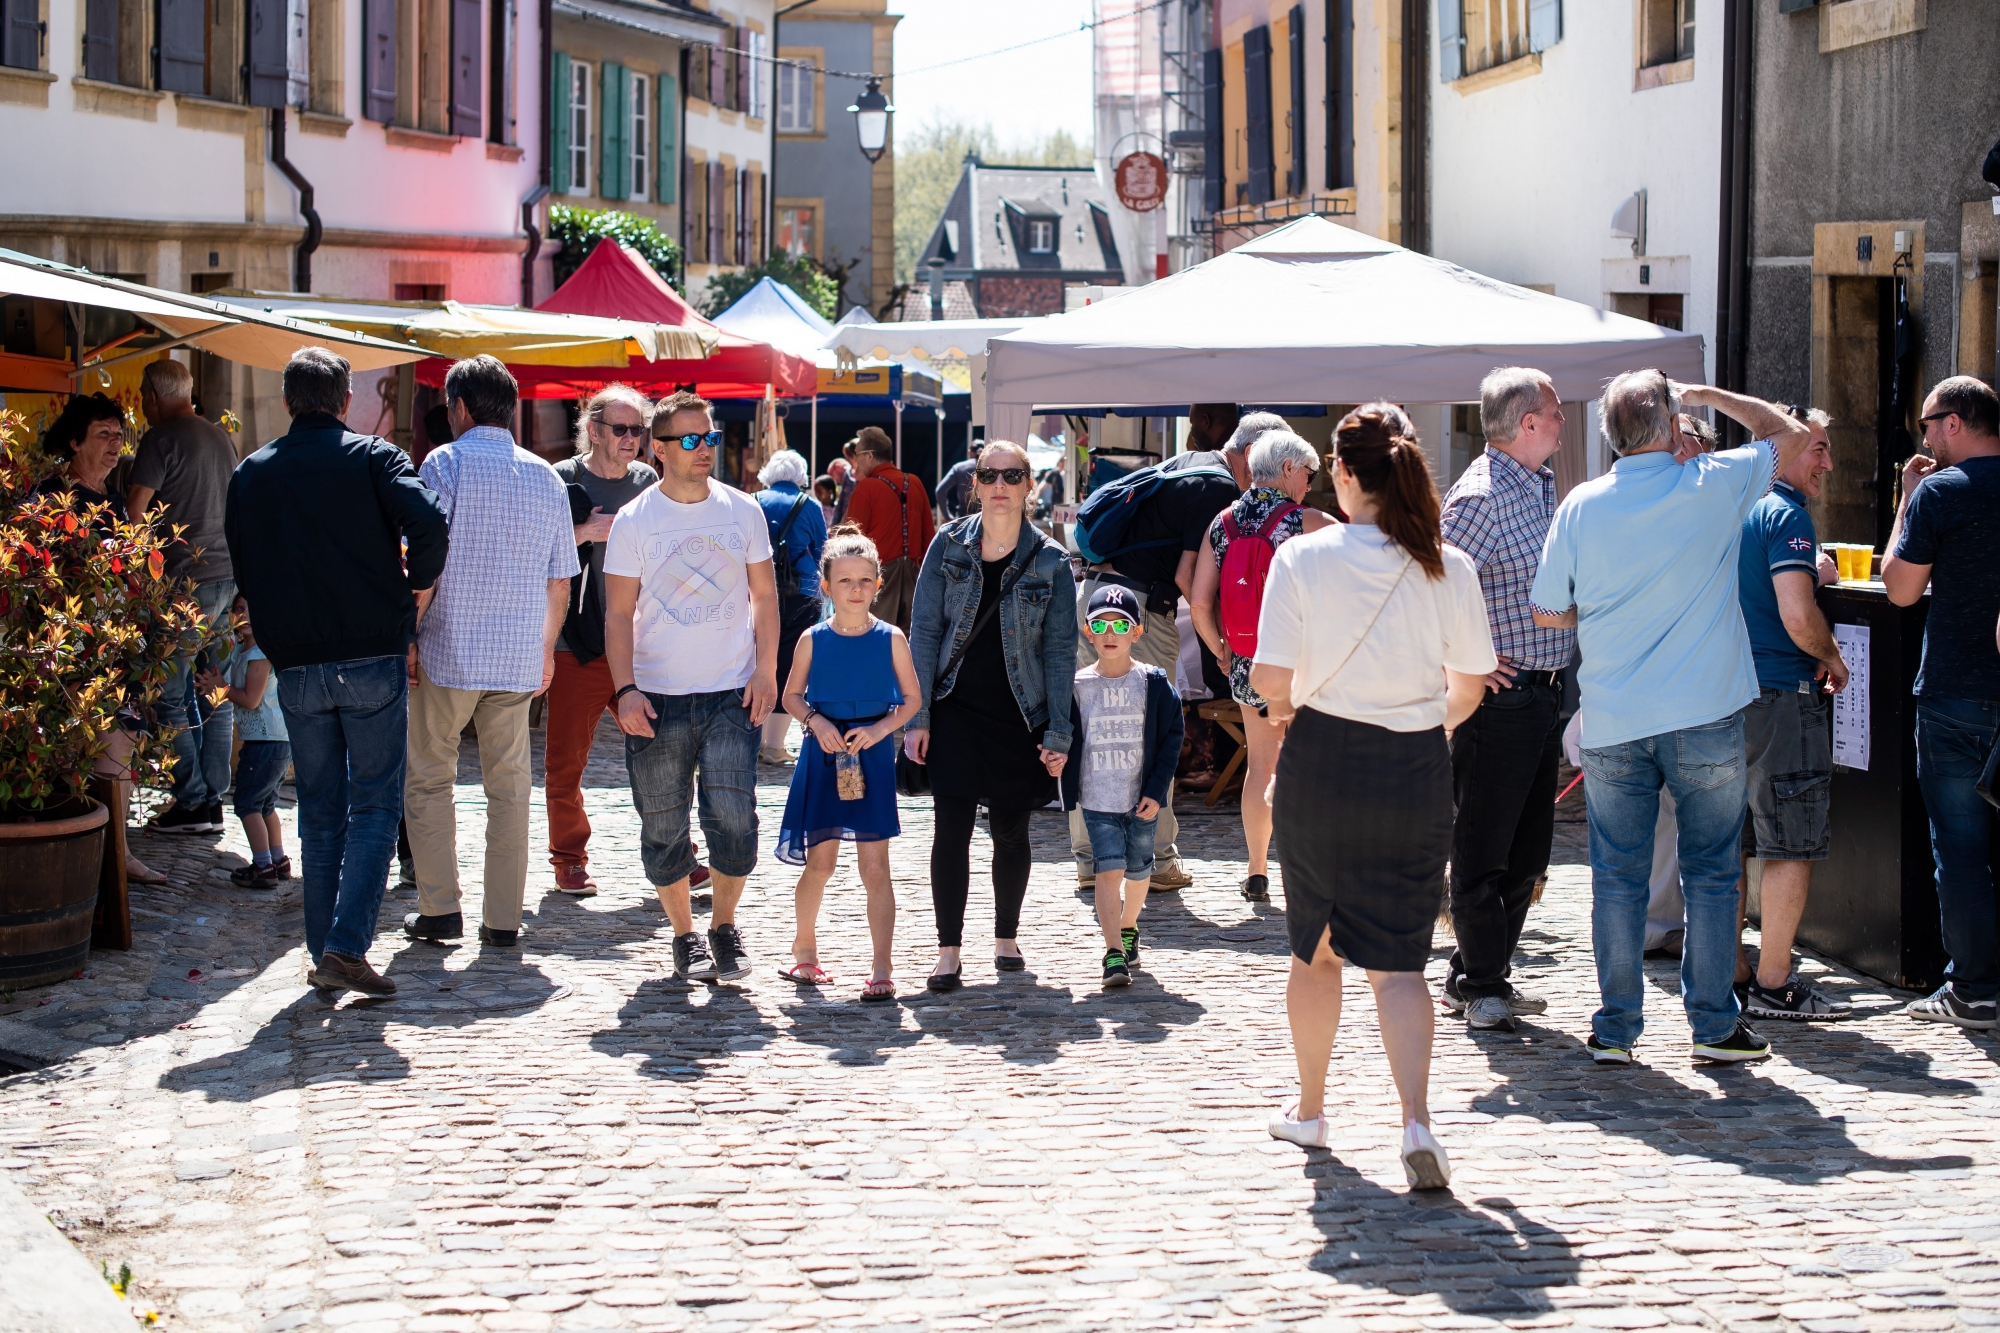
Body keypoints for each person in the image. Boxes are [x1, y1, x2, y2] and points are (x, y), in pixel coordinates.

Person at [1530, 372, 1815, 1065]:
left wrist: (1594, 611)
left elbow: (1545, 608)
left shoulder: (1581, 504)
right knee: (1712, 872)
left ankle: (1617, 1024)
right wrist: (1712, 397)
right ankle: (1713, 1024)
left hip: (1616, 714)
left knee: (1617, 874)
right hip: (1704, 711)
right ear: (1668, 426)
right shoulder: (1712, 481)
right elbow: (1794, 435)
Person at [1251, 404, 1495, 1191]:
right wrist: (1424, 722)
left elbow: (1270, 682)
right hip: (1416, 765)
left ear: (1349, 474)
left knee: (1315, 950)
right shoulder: (1448, 566)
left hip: (1322, 760)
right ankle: (1417, 1118)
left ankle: (1313, 1106)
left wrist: (1290, 710)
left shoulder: (1303, 557)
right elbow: (1469, 686)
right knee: (1400, 963)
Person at [225, 347, 450, 999]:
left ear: (291, 401)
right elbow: (430, 521)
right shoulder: (373, 458)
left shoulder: (252, 472)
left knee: (320, 811)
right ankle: (345, 947)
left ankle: (325, 948)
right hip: (369, 650)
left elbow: (244, 562)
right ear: (346, 399)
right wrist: (415, 585)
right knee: (375, 800)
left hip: (297, 660)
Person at [402, 356, 578, 950]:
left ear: (460, 407)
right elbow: (561, 581)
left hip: (450, 649)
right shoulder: (546, 477)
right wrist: (546, 652)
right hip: (516, 656)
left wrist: (410, 629)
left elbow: (423, 561)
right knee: (509, 789)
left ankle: (439, 911)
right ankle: (502, 920)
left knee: (429, 779)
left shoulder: (444, 464)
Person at [605, 391, 780, 982]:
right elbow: (618, 615)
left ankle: (724, 926)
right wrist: (624, 689)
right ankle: (685, 936)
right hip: (655, 699)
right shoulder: (635, 521)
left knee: (734, 819)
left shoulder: (742, 511)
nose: (705, 448)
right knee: (663, 824)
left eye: (708, 436)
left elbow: (765, 598)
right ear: (659, 450)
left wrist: (765, 669)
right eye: (689, 440)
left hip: (731, 691)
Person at [906, 440, 1077, 991]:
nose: (1000, 485)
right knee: (949, 828)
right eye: (990, 475)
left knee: (1010, 827)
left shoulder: (1050, 561)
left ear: (1030, 486)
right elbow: (925, 633)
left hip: (1017, 712)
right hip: (954, 706)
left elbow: (1059, 651)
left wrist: (1058, 729)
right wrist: (918, 715)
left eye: (1013, 475)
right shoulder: (946, 546)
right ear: (974, 484)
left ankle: (1006, 936)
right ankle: (948, 950)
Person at [1435, 367, 1574, 1033]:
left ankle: (1473, 972)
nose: (1562, 420)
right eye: (1553, 411)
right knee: (1485, 848)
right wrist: (1471, 661)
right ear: (1525, 423)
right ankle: (1484, 981)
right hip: (1501, 702)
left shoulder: (1539, 484)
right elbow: (1430, 585)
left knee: (1529, 855)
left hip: (1545, 695)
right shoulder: (1481, 497)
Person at [1069, 420, 1242, 892]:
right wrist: (1219, 646)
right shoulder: (1220, 485)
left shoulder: (1187, 464)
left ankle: (1090, 860)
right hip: (1138, 607)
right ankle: (1157, 860)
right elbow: (1191, 580)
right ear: (1250, 454)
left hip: (1096, 595)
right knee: (1154, 730)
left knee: (1095, 727)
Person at [1882, 375, 2000, 1030]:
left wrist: (1908, 501)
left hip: (1956, 691)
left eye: (1927, 422)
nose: (1923, 436)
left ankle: (1976, 989)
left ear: (1955, 422)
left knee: (1960, 847)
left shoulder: (1942, 493)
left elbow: (1899, 590)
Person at [1733, 406, 1851, 1020]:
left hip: (1727, 697)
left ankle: (1734, 974)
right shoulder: (1788, 517)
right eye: (1818, 449)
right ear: (1783, 449)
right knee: (1790, 844)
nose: (1828, 463)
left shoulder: (1732, 507)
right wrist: (1832, 658)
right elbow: (1798, 615)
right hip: (1782, 695)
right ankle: (1774, 983)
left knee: (1730, 845)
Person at [775, 531, 923, 1001]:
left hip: (873, 758)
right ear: (826, 586)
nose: (855, 589)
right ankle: (805, 948)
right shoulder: (811, 639)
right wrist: (816, 722)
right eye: (845, 581)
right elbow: (791, 697)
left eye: (864, 580)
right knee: (820, 863)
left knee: (876, 867)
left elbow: (913, 699)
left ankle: (882, 965)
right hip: (824, 756)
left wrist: (881, 731)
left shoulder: (892, 638)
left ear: (878, 583)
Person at [1188, 430, 1335, 902]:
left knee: (1261, 765)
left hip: (1250, 662)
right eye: (1309, 475)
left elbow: (1198, 602)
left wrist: (1220, 649)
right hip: (1307, 661)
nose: (1310, 485)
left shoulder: (1223, 521)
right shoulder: (1308, 521)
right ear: (1289, 468)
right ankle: (1307, 872)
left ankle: (1256, 869)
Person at [36, 395, 167, 885]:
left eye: (119, 435)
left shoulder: (111, 501)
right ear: (75, 441)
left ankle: (119, 855)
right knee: (75, 757)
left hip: (118, 647)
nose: (115, 445)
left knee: (120, 751)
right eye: (103, 435)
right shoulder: (51, 499)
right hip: (70, 649)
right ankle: (89, 858)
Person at [544, 385, 660, 896]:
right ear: (593, 431)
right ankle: (569, 858)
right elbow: (534, 548)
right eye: (621, 429)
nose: (632, 438)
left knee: (661, 751)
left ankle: (676, 851)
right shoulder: (559, 480)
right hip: (577, 640)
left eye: (638, 429)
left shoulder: (647, 481)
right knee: (566, 759)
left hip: (639, 642)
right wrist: (585, 533)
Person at [131, 359, 240, 836]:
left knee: (171, 694)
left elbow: (133, 516)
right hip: (226, 579)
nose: (139, 404)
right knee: (215, 690)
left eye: (140, 395)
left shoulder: (161, 439)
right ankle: (213, 796)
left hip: (184, 584)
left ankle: (193, 800)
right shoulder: (220, 436)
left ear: (153, 396)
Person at [1061, 585, 1184, 988]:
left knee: (1139, 870)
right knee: (1107, 871)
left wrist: (1156, 789)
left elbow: (1171, 737)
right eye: (1100, 624)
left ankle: (1130, 925)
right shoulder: (1076, 687)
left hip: (1141, 801)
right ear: (1088, 631)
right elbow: (1061, 736)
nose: (1109, 633)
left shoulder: (1153, 683)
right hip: (1097, 800)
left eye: (1120, 625)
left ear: (1137, 632)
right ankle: (1113, 952)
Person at [196, 594, 292, 888]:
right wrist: (217, 683)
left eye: (254, 609)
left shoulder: (260, 654)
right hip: (270, 741)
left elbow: (251, 700)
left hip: (267, 742)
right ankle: (278, 861)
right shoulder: (244, 651)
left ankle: (263, 867)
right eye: (239, 609)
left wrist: (222, 689)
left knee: (248, 803)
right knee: (265, 804)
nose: (246, 615)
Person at [754, 448, 831, 765]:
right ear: (801, 475)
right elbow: (824, 550)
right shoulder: (810, 504)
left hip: (757, 591)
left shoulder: (754, 501)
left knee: (757, 657)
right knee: (791, 663)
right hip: (802, 593)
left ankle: (752, 738)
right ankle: (773, 745)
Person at [844, 426, 936, 634]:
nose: (855, 462)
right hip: (914, 576)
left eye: (857, 455)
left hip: (878, 580)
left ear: (869, 455)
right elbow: (929, 538)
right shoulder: (914, 483)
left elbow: (850, 543)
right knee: (910, 644)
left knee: (874, 639)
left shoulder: (866, 488)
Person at [936, 440, 980, 521]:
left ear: (969, 452)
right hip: (985, 517)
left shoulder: (959, 468)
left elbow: (940, 490)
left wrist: (947, 517)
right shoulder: (990, 468)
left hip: (963, 517)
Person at [829, 454, 856, 524]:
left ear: (837, 467)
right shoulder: (846, 479)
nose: (834, 480)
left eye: (832, 474)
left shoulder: (851, 475)